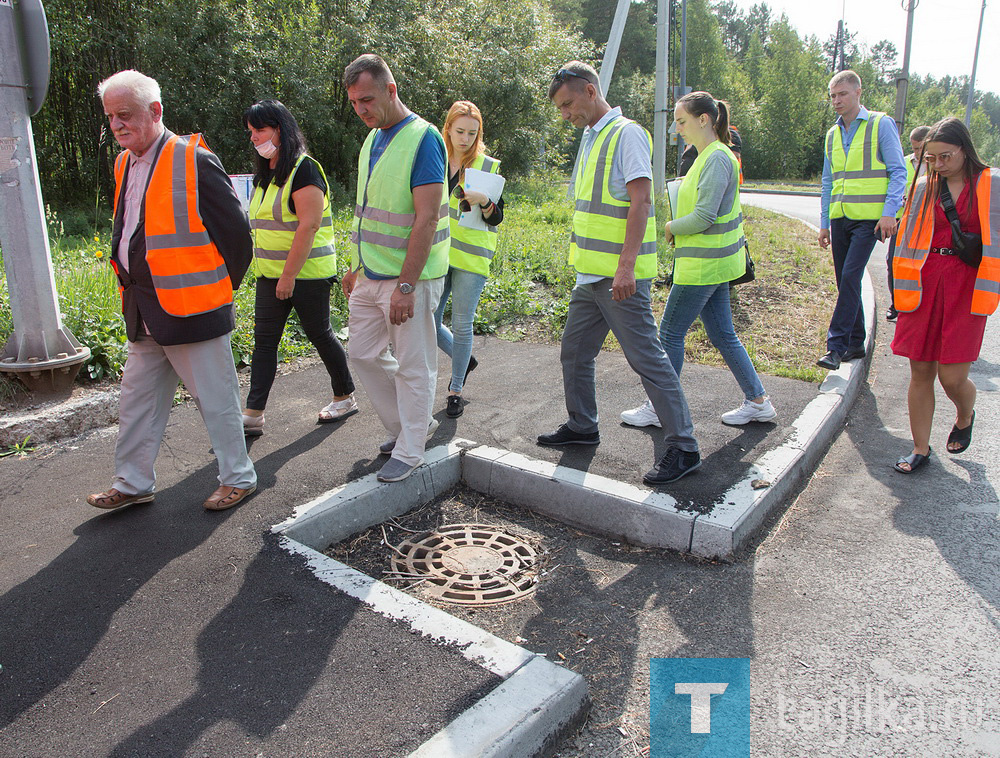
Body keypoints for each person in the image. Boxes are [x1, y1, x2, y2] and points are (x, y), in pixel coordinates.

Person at [88, 70, 257, 511]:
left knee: (216, 401)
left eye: (125, 114)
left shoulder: (193, 159)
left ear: (155, 111)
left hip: (195, 308)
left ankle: (238, 477)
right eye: (110, 117)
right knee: (137, 401)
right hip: (145, 307)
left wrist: (218, 289)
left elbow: (238, 238)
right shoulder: (125, 161)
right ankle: (133, 482)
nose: (117, 125)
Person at [538, 61, 701, 486]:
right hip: (591, 276)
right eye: (560, 108)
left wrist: (626, 266)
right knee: (574, 352)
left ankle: (684, 446)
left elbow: (641, 202)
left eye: (568, 104)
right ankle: (582, 425)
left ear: (590, 91)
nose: (565, 114)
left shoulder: (626, 133)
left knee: (645, 357)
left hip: (619, 278)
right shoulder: (593, 137)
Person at [621, 92, 776, 429]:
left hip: (704, 266)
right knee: (722, 334)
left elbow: (704, 216)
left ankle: (660, 407)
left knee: (670, 334)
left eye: (681, 122)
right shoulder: (710, 155)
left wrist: (670, 226)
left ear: (703, 120)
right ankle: (758, 401)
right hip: (712, 264)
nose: (677, 129)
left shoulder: (717, 158)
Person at [341, 54, 449, 483]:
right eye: (353, 103)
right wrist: (354, 265)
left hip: (409, 279)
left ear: (391, 89)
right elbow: (365, 211)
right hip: (369, 274)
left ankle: (410, 448)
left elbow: (426, 218)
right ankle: (411, 426)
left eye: (367, 99)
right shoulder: (373, 139)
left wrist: (406, 284)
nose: (361, 110)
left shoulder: (423, 138)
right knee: (363, 354)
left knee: (413, 364)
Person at [241, 100, 357, 436]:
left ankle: (345, 394)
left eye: (259, 130)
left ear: (280, 129)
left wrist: (289, 275)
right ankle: (253, 412)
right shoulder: (264, 176)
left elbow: (308, 225)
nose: (253, 138)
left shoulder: (305, 170)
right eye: (250, 132)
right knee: (264, 342)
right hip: (270, 275)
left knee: (320, 334)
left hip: (307, 274)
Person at [890, 117, 998, 473]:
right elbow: (907, 239)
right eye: (931, 158)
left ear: (965, 150)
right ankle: (920, 448)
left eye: (945, 157)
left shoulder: (991, 184)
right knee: (920, 369)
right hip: (924, 282)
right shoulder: (925, 186)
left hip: (967, 285)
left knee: (951, 376)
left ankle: (965, 413)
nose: (937, 165)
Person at [817, 70, 907, 370]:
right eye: (832, 96)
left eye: (842, 94)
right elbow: (828, 181)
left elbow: (898, 171)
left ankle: (836, 346)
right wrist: (824, 223)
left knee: (850, 275)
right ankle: (856, 342)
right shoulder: (832, 134)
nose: (837, 100)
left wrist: (889, 213)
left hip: (870, 220)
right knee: (845, 280)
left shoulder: (881, 124)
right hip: (840, 217)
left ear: (858, 93)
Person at [434, 101, 505, 418]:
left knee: (463, 325)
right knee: (427, 321)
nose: (465, 138)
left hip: (470, 259)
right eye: (460, 131)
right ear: (447, 128)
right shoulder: (435, 159)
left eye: (472, 133)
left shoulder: (486, 167)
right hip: (437, 252)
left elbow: (497, 217)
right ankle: (464, 358)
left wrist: (486, 201)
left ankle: (456, 390)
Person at [885, 125, 929, 322]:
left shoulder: (936, 165)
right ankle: (896, 304)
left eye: (921, 147)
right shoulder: (903, 163)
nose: (918, 152)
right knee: (893, 261)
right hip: (901, 220)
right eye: (914, 147)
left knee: (920, 265)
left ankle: (918, 304)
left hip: (925, 222)